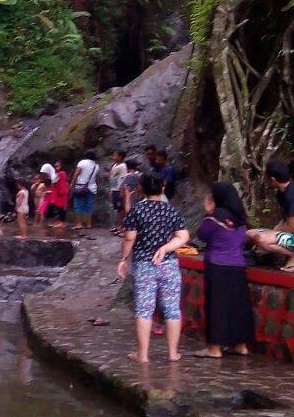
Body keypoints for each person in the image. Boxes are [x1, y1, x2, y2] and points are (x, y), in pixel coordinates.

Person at [118, 172, 189, 364]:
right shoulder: (171, 211)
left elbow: (129, 237)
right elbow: (183, 237)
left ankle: (142, 355)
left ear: (140, 189)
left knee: (144, 309)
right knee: (172, 308)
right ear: (163, 188)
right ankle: (173, 354)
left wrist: (123, 258)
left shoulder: (136, 211)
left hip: (143, 265)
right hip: (169, 265)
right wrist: (165, 248)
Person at [195, 182, 254, 358]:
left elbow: (201, 235)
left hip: (217, 265)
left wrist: (207, 211)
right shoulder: (240, 217)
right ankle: (241, 345)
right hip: (237, 265)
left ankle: (214, 348)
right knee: (238, 305)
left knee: (217, 305)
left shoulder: (215, 216)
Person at [247, 160, 294, 273]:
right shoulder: (282, 192)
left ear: (272, 179)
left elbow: (292, 227)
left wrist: (271, 233)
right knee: (250, 233)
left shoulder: (291, 196)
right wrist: (274, 230)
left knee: (261, 239)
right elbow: (286, 219)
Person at [71, 150, 100, 230]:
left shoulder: (82, 163)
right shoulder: (96, 166)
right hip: (92, 188)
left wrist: (72, 184)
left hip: (81, 187)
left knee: (78, 205)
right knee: (89, 205)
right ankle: (89, 224)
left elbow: (76, 174)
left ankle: (79, 224)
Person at [109, 150, 128, 233]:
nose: (113, 157)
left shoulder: (122, 166)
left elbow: (124, 179)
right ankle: (118, 226)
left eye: (115, 155)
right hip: (114, 189)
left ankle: (121, 226)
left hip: (119, 190)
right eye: (113, 155)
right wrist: (111, 189)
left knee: (121, 208)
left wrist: (122, 190)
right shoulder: (115, 165)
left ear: (120, 157)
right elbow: (113, 178)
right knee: (117, 208)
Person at [47, 160, 68, 229]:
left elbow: (59, 183)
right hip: (59, 193)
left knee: (61, 208)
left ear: (61, 166)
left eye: (58, 166)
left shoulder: (61, 173)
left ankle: (61, 222)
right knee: (59, 207)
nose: (56, 168)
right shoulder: (60, 173)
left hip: (61, 193)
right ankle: (59, 221)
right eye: (55, 166)